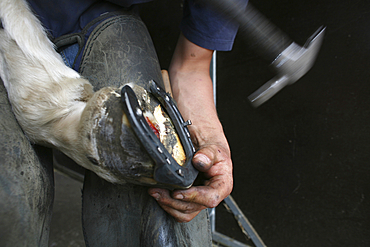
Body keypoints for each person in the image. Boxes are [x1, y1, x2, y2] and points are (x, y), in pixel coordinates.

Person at [0, 0, 247, 246]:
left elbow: (191, 66)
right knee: (12, 204)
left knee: (161, 215)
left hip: (102, 19)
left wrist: (211, 142)